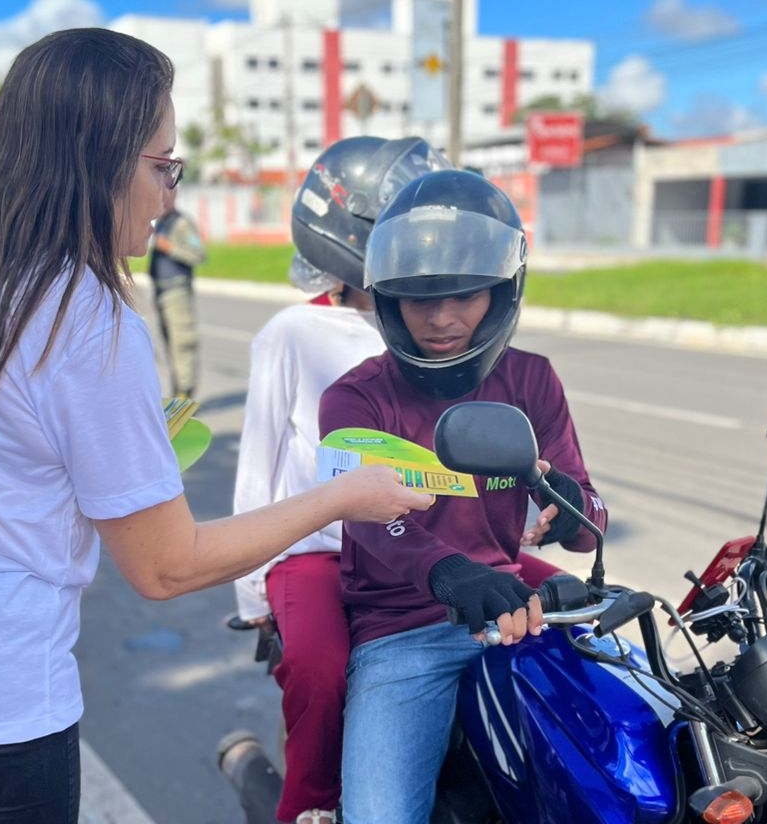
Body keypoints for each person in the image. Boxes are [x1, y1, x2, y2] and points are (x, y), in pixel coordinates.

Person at [0, 28, 431, 824]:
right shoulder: (86, 319)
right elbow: (164, 569)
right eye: (163, 165)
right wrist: (339, 500)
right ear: (96, 159)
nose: (173, 193)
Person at [317, 168, 609, 824]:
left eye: (465, 294)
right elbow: (363, 517)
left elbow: (590, 519)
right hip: (401, 633)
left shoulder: (532, 380)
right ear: (387, 299)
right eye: (419, 297)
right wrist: (446, 571)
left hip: (516, 621)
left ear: (501, 292)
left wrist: (569, 510)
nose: (441, 319)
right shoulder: (354, 398)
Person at [231, 136, 453, 824]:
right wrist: (252, 590)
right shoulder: (293, 333)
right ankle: (309, 807)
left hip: (425, 551)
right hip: (316, 552)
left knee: (550, 626)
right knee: (323, 672)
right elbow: (258, 461)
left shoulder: (442, 331)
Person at [149, 185, 205, 398]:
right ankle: (177, 396)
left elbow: (198, 254)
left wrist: (170, 248)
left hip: (177, 293)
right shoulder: (162, 223)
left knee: (183, 345)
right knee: (170, 347)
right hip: (163, 293)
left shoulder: (182, 224)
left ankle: (185, 397)